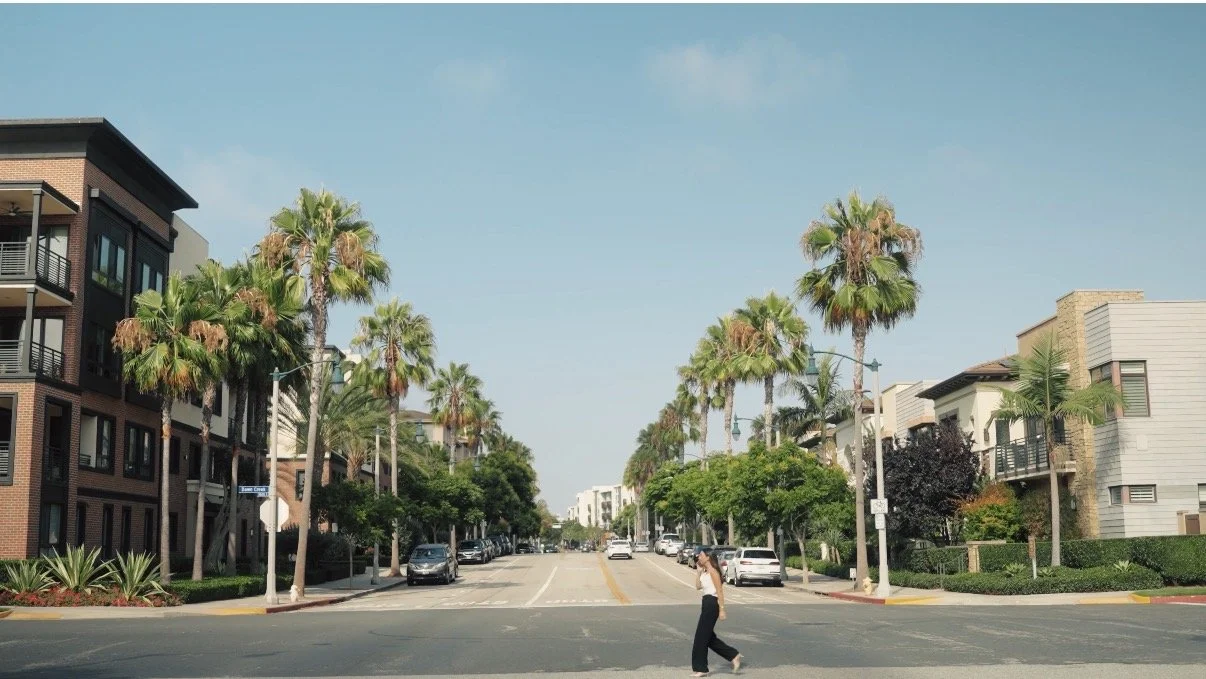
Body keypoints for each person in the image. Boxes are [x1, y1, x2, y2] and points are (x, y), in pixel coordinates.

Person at [691, 549, 741, 677]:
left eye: (701, 555)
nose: (699, 557)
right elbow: (697, 587)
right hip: (705, 603)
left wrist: (722, 609)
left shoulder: (713, 572)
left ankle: (701, 668)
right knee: (708, 637)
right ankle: (733, 655)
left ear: (708, 557)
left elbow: (719, 591)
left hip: (712, 604)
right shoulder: (705, 572)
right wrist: (698, 572)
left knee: (700, 638)